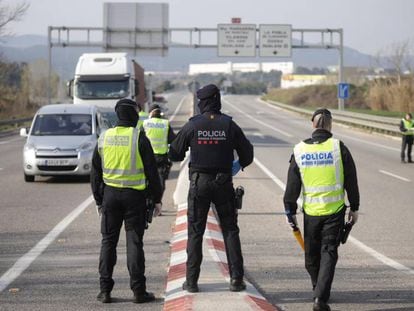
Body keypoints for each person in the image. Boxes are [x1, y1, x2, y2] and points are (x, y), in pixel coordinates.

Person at [169, 84, 254, 293]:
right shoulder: (229, 125)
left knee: (195, 232)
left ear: (203, 102)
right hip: (223, 183)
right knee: (230, 230)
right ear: (217, 100)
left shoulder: (193, 125)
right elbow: (248, 154)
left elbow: (175, 154)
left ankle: (191, 282)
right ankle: (236, 279)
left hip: (199, 183)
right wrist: (235, 166)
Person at [283, 108, 360, 311]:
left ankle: (319, 293)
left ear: (313, 124)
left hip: (311, 214)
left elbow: (292, 184)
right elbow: (351, 180)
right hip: (334, 212)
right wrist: (355, 207)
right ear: (330, 125)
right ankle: (320, 293)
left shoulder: (300, 150)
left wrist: (289, 210)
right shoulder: (338, 147)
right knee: (328, 253)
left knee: (312, 257)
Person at [91, 99, 163, 304]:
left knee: (108, 242)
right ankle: (138, 292)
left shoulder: (104, 138)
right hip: (135, 199)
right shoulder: (139, 137)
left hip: (110, 197)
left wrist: (98, 200)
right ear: (132, 115)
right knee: (134, 243)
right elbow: (152, 172)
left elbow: (95, 173)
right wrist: (157, 199)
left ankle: (105, 291)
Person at [143, 103, 176, 196]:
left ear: (150, 113)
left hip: (148, 157)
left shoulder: (145, 123)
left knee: (147, 179)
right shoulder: (165, 123)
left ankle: (149, 201)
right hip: (162, 157)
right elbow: (172, 139)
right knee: (161, 181)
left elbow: (140, 139)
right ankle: (158, 202)